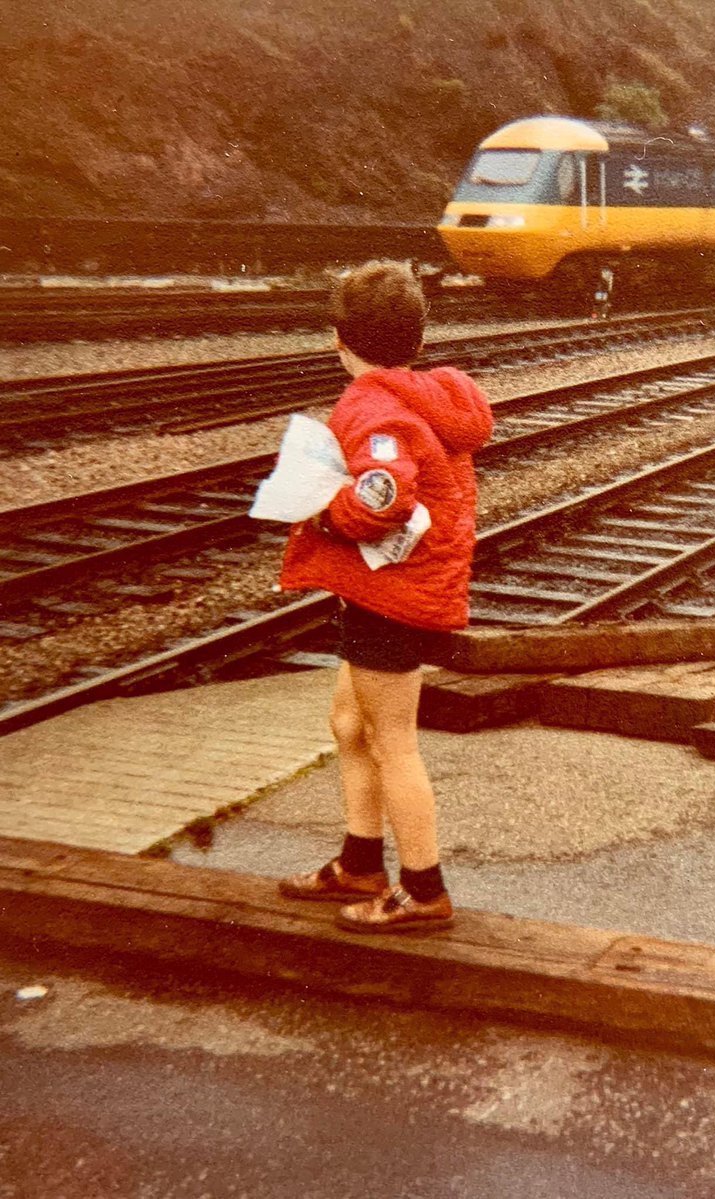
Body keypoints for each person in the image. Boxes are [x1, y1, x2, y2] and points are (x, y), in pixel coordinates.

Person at [275, 259, 493, 933]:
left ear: (337, 337)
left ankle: (424, 889)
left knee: (393, 739)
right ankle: (360, 861)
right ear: (419, 337)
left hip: (394, 594)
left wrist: (319, 510)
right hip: (389, 587)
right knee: (350, 723)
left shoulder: (371, 404)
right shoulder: (428, 392)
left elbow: (384, 496)